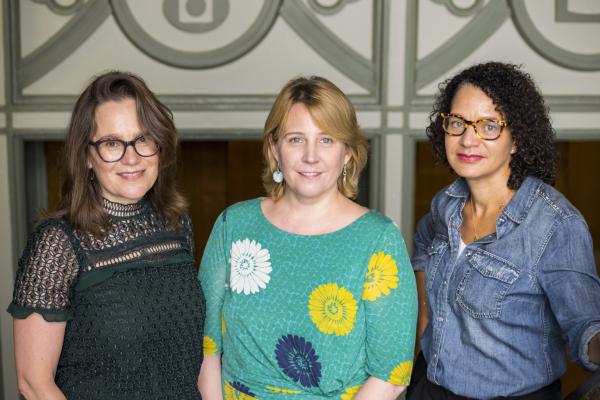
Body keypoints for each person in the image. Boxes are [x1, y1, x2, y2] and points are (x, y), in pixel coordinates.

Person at [198, 76, 417, 399]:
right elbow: (206, 347)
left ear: (347, 154)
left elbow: (391, 375)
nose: (311, 156)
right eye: (296, 139)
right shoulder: (234, 226)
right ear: (274, 147)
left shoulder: (377, 240)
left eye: (327, 140)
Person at [7, 71, 205, 399]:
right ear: (86, 155)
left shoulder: (177, 226)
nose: (132, 157)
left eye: (143, 139)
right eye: (112, 143)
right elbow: (34, 383)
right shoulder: (58, 242)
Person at [408, 62, 600, 399]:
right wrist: (425, 325)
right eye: (457, 123)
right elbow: (424, 243)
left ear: (516, 139)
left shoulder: (555, 224)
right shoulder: (447, 204)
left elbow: (586, 327)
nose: (468, 139)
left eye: (489, 126)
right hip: (430, 388)